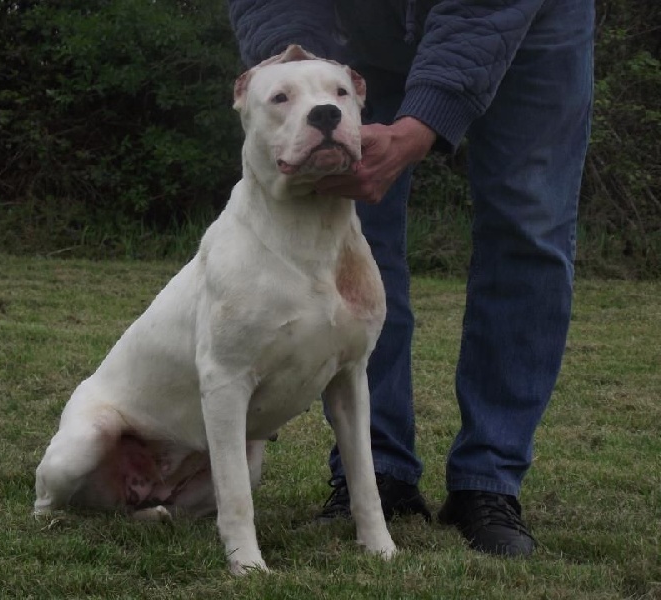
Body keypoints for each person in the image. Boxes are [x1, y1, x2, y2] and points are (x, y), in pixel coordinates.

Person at [228, 0, 594, 557]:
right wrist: (293, 63)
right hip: (356, 22)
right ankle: (375, 477)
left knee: (530, 226)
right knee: (357, 231)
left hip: (526, 19)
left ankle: (489, 481)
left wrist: (422, 125)